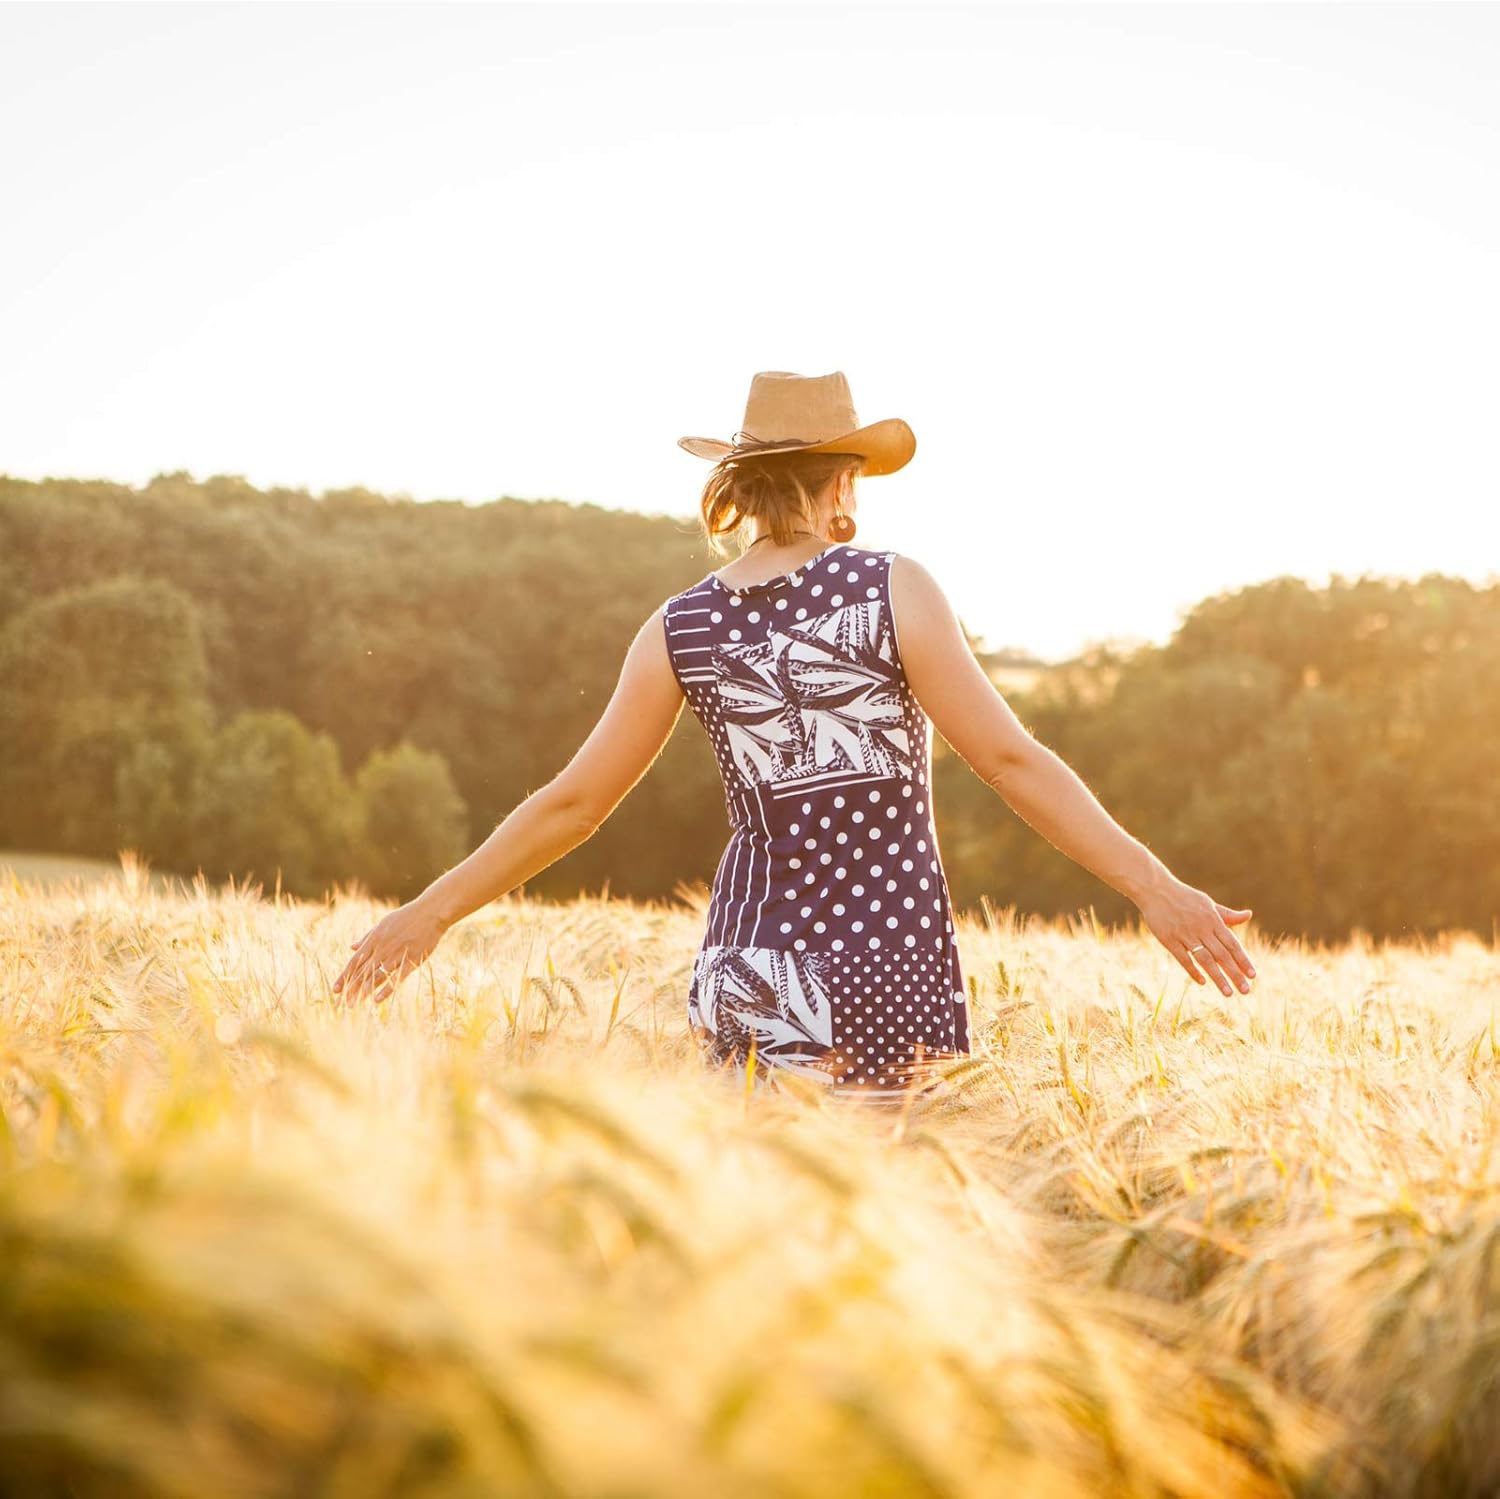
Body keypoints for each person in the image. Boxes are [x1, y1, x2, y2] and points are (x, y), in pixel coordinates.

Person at [332, 370, 1256, 1105]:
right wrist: (1155, 886)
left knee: (759, 1258)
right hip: (880, 964)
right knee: (870, 1258)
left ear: (740, 480)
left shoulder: (678, 627)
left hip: (748, 970)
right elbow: (1011, 761)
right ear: (845, 479)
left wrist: (429, 914)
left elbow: (572, 803)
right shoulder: (895, 589)